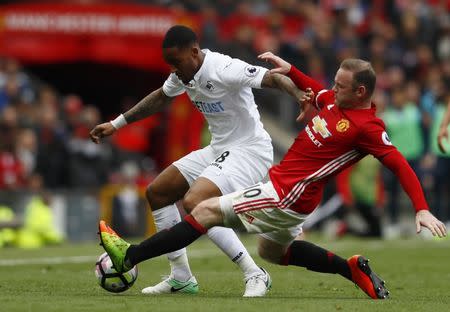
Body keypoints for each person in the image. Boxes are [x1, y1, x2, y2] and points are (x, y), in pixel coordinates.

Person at [99, 52, 448, 299]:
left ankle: (129, 257)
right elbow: (313, 87)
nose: (333, 88)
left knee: (201, 208)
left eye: (341, 85)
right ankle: (351, 269)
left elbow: (399, 163)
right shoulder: (334, 103)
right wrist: (291, 70)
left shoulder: (368, 127)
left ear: (360, 92)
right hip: (288, 193)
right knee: (273, 252)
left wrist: (421, 207)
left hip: (287, 193)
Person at [90, 26, 303, 297]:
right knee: (158, 192)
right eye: (170, 65)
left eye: (176, 63)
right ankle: (181, 277)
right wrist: (117, 123)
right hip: (220, 148)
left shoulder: (224, 67)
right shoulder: (184, 73)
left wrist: (299, 96)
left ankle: (255, 273)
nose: (174, 70)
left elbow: (272, 78)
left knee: (196, 203)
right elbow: (161, 96)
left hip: (250, 150)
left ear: (194, 52)